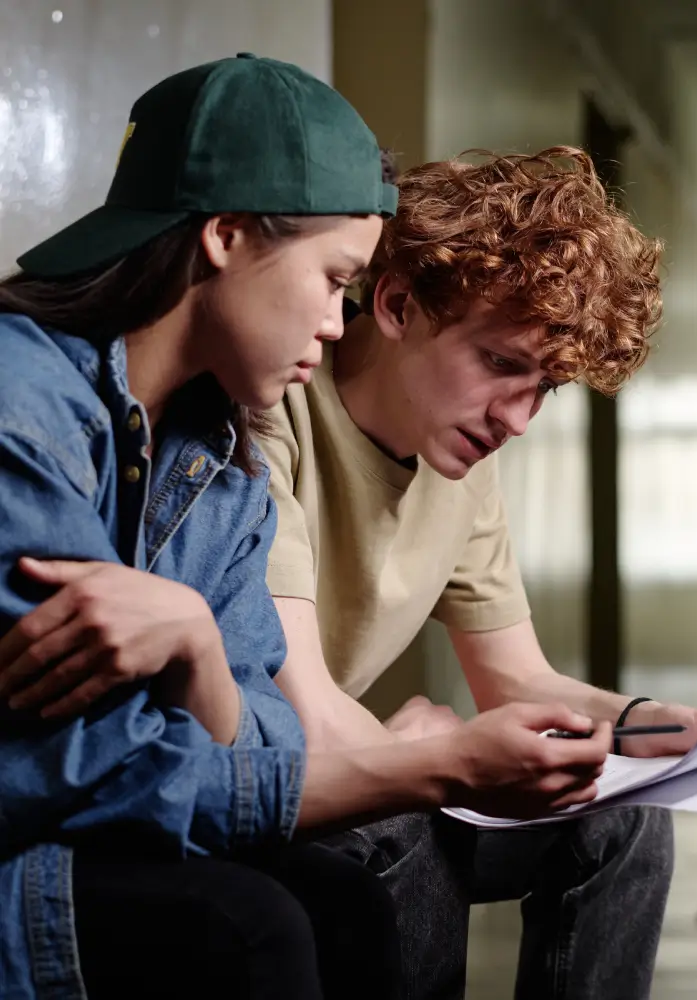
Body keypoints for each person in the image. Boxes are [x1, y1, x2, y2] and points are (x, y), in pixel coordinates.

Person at [0, 60, 610, 1000]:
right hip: (28, 855)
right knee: (258, 925)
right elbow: (88, 776)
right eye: (333, 280)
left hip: (104, 830)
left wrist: (200, 646)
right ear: (227, 235)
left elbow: (258, 746)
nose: (337, 324)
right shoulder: (23, 410)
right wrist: (435, 767)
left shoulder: (217, 457)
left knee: (339, 903)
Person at [253, 147, 697, 1000]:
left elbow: (518, 682)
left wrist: (663, 731)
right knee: (405, 827)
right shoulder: (272, 409)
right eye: (502, 365)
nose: (517, 420)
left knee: (628, 817)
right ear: (395, 303)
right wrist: (435, 755)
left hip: (369, 757)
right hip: (280, 784)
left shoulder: (466, 462)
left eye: (545, 388)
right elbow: (302, 722)